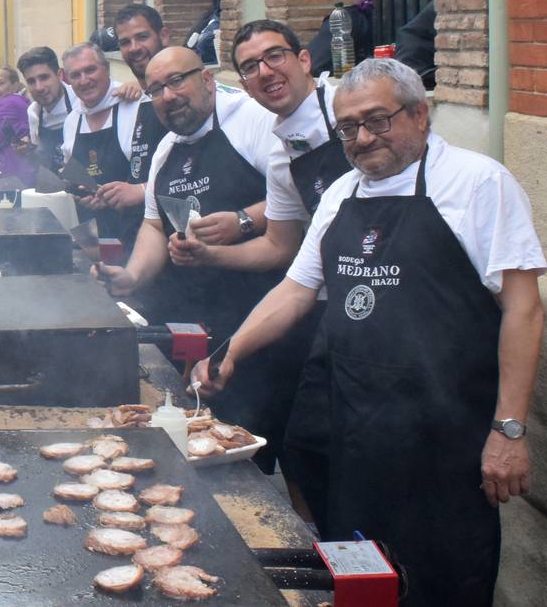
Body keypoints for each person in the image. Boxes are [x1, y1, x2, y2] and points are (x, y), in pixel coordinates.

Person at [194, 58, 545, 607]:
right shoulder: (340, 194)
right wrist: (231, 349)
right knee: (359, 574)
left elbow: (523, 311)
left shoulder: (478, 182)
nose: (362, 138)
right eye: (348, 128)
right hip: (354, 426)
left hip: (444, 434)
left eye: (378, 121)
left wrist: (510, 430)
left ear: (421, 115)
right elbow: (295, 289)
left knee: (442, 579)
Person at [170, 20, 347, 519]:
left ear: (304, 60)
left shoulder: (345, 106)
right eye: (250, 66)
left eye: (275, 57)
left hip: (397, 304)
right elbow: (280, 248)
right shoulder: (279, 148)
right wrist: (210, 255)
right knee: (306, 447)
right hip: (321, 306)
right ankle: (329, 559)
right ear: (241, 81)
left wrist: (240, 222)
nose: (266, 72)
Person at [94, 47, 286, 461]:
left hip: (256, 312)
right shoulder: (165, 150)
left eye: (177, 81)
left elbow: (294, 202)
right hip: (194, 314)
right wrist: (130, 278)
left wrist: (242, 220)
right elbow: (154, 224)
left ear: (208, 78)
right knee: (197, 437)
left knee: (257, 441)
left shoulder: (252, 121)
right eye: (156, 89)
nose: (168, 96)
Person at [60, 43, 167, 251]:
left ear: (106, 68)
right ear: (68, 80)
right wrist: (83, 193)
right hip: (94, 238)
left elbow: (168, 172)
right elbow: (72, 171)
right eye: (75, 75)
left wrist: (138, 191)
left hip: (142, 234)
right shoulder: (72, 120)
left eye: (90, 70)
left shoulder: (137, 105)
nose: (84, 80)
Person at [18, 46, 73, 170]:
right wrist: (28, 151)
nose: (39, 88)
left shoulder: (81, 104)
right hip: (53, 186)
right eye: (31, 81)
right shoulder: (34, 113)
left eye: (44, 78)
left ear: (59, 75)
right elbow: (42, 158)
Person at [113, 3, 170, 83]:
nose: (134, 48)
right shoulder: (124, 94)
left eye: (142, 37)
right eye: (125, 42)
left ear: (163, 36)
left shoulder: (188, 90)